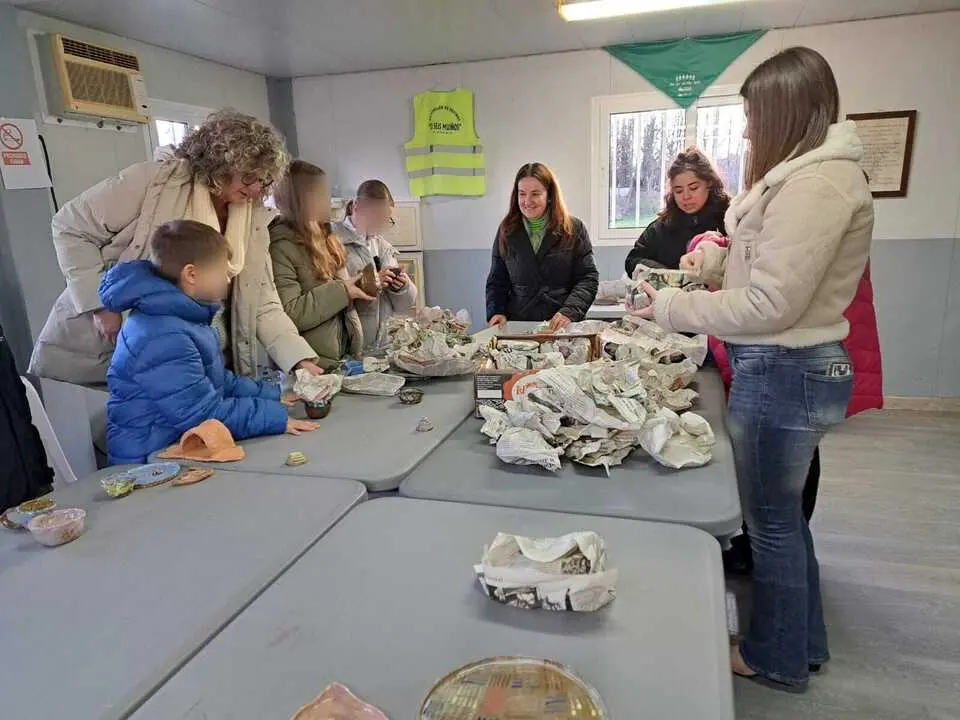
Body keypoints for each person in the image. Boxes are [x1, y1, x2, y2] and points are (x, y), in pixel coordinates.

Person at [634, 47, 874, 689]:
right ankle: (802, 643)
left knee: (769, 527)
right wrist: (716, 264)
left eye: (752, 119)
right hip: (786, 367)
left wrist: (675, 306)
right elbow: (775, 269)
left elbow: (772, 303)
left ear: (784, 113)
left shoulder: (815, 185)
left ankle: (773, 657)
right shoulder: (805, 179)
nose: (746, 133)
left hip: (784, 371)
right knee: (784, 521)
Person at [29, 109, 325, 387]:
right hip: (125, 347)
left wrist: (297, 359)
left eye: (264, 180)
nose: (257, 189)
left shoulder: (252, 215)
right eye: (249, 177)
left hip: (198, 358)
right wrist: (102, 304)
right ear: (221, 165)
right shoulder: (154, 182)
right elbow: (69, 226)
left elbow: (262, 299)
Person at [102, 220, 317, 465]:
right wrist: (273, 418)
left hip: (173, 447)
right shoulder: (164, 335)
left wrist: (274, 395)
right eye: (222, 271)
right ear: (191, 274)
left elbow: (217, 382)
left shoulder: (182, 319)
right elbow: (201, 415)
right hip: (150, 462)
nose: (228, 280)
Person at [269, 161, 373, 370]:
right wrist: (343, 291)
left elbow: (338, 307)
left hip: (341, 359)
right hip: (312, 364)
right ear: (299, 200)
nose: (327, 200)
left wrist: (361, 289)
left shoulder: (327, 238)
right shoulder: (280, 247)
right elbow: (289, 314)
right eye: (320, 193)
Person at [486, 162, 599, 330]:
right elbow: (497, 280)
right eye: (522, 194)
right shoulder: (506, 230)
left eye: (535, 194)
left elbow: (587, 278)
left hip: (562, 325)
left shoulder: (573, 228)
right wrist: (496, 311)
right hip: (519, 325)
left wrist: (569, 312)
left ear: (549, 195)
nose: (527, 201)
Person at [332, 180, 417, 352]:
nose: (380, 224)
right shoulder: (332, 242)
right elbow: (328, 297)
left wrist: (401, 287)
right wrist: (370, 282)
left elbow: (404, 305)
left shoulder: (382, 246)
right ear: (356, 207)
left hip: (382, 344)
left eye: (385, 219)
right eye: (376, 216)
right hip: (348, 345)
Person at [624, 147, 730, 277]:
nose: (686, 197)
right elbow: (632, 261)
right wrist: (667, 275)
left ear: (709, 184)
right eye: (678, 191)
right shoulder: (661, 227)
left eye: (693, 188)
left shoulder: (729, 221)